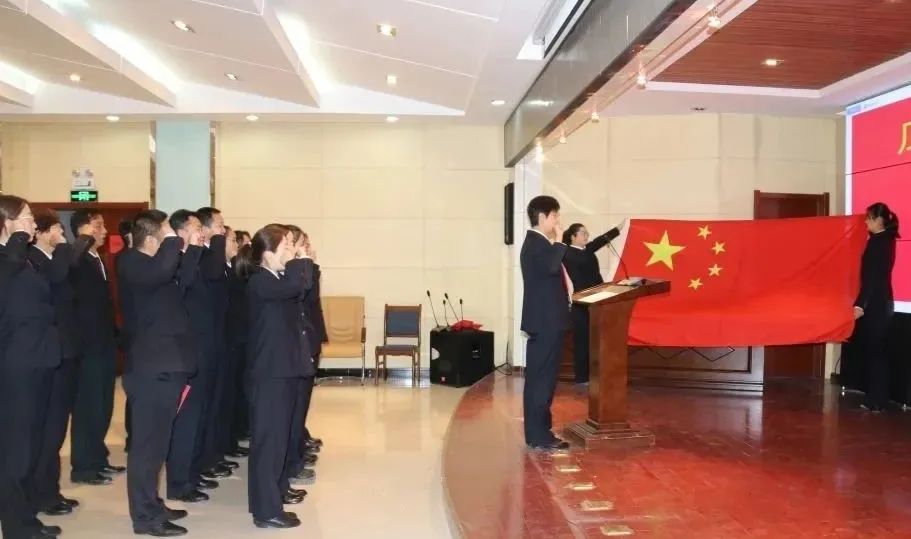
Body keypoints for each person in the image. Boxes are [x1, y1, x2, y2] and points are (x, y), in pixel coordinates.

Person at [120, 209, 201, 537]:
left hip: (168, 366)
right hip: (151, 369)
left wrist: (193, 248)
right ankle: (144, 517)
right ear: (153, 239)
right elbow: (163, 269)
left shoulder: (156, 270)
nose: (173, 238)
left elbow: (184, 282)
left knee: (159, 445)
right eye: (167, 233)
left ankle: (153, 504)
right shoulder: (132, 261)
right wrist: (174, 240)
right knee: (146, 448)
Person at [0, 195, 64, 539]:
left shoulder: (22, 259)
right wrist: (17, 240)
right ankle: (16, 527)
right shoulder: (8, 259)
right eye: (24, 217)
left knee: (32, 445)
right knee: (16, 449)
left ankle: (26, 518)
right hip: (15, 364)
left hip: (38, 359)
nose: (31, 223)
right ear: (6, 221)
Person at [242, 224, 313, 529]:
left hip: (282, 370)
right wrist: (301, 259)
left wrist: (297, 260)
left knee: (279, 438)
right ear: (268, 254)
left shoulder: (276, 278)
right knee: (268, 442)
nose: (292, 251)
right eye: (286, 246)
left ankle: (277, 492)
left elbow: (301, 288)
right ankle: (265, 510)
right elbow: (297, 286)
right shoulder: (260, 281)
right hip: (270, 374)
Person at [28, 209, 93, 517]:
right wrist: (67, 247)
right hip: (52, 353)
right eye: (56, 228)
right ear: (40, 233)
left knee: (56, 429)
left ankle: (50, 491)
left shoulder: (52, 259)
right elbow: (56, 279)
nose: (62, 234)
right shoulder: (34, 260)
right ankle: (41, 494)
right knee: (49, 429)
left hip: (67, 350)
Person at [165, 209, 217, 504]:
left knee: (199, 417)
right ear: (181, 232)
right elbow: (181, 290)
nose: (202, 232)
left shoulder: (196, 260)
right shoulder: (174, 261)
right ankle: (178, 482)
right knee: (186, 419)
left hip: (203, 349)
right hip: (186, 352)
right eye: (196, 227)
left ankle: (193, 473)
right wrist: (193, 250)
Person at [69, 208, 124, 486]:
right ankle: (83, 467)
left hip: (104, 343)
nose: (104, 231)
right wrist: (83, 241)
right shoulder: (76, 258)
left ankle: (98, 458)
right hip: (87, 346)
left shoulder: (97, 258)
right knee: (88, 408)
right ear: (83, 229)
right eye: (98, 226)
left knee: (103, 405)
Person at [520, 195, 571, 452]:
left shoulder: (539, 243)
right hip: (545, 322)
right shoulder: (536, 243)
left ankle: (539, 431)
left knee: (544, 379)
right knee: (541, 380)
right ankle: (539, 435)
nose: (558, 220)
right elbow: (552, 267)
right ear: (542, 217)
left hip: (549, 321)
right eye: (555, 215)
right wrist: (560, 240)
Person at [561, 223, 621, 385]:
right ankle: (581, 377)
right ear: (573, 237)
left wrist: (619, 229)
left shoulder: (587, 249)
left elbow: (600, 240)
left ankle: (595, 374)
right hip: (581, 303)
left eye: (587, 232)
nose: (587, 235)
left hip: (597, 300)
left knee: (596, 339)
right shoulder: (566, 252)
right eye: (583, 233)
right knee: (582, 340)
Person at [854, 202, 899, 413]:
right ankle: (876, 399)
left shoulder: (878, 242)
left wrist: (860, 304)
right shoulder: (885, 240)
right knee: (877, 353)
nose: (865, 222)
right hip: (881, 303)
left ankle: (877, 401)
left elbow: (871, 279)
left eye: (868, 218)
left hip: (876, 305)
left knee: (876, 353)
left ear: (878, 220)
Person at [283, 225, 317, 487]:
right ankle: (291, 464)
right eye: (298, 244)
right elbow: (301, 294)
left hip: (301, 345)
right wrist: (304, 263)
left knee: (298, 410)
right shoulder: (270, 279)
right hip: (285, 355)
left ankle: (296, 455)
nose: (305, 249)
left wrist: (307, 264)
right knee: (288, 417)